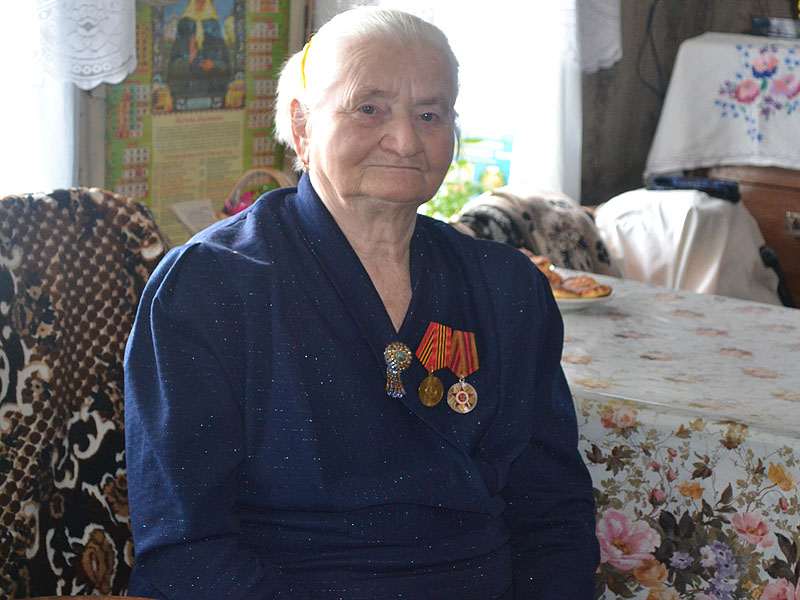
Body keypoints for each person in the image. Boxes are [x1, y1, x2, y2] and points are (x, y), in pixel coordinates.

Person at [124, 7, 599, 599]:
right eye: (368, 108)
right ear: (301, 126)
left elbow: (553, 512)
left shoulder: (507, 288)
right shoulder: (209, 286)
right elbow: (186, 546)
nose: (405, 141)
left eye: (430, 114)